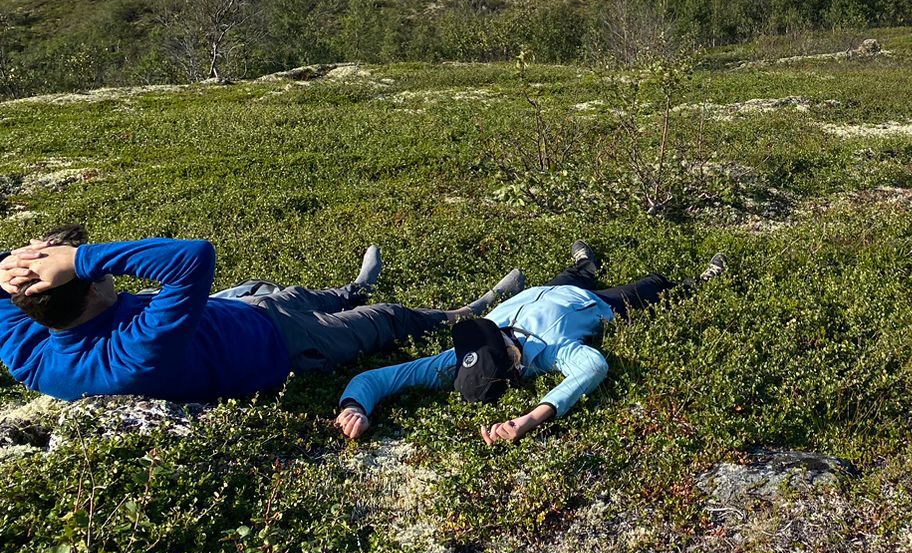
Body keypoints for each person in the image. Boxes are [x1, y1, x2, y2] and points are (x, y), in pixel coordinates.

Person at [0, 227, 523, 403]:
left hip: (235, 310)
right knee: (382, 320)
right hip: (287, 345)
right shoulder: (132, 355)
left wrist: (12, 265)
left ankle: (351, 288)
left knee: (283, 290)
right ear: (90, 291)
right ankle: (461, 312)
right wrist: (79, 259)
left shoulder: (34, 356)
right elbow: (191, 257)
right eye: (101, 275)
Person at [334, 241, 726, 446]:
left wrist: (354, 407)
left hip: (548, 289)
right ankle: (704, 280)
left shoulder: (455, 362)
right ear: (514, 364)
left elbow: (377, 379)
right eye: (501, 342)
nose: (499, 331)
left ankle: (585, 262)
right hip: (598, 304)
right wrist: (531, 419)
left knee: (578, 271)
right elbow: (593, 366)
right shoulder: (549, 354)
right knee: (654, 285)